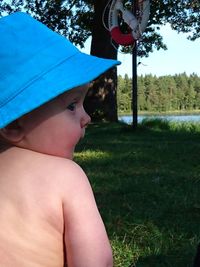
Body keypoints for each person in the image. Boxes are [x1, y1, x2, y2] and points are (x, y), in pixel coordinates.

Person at [0, 12, 120, 266]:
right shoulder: (66, 177)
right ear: (13, 125)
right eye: (72, 106)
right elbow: (96, 262)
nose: (86, 117)